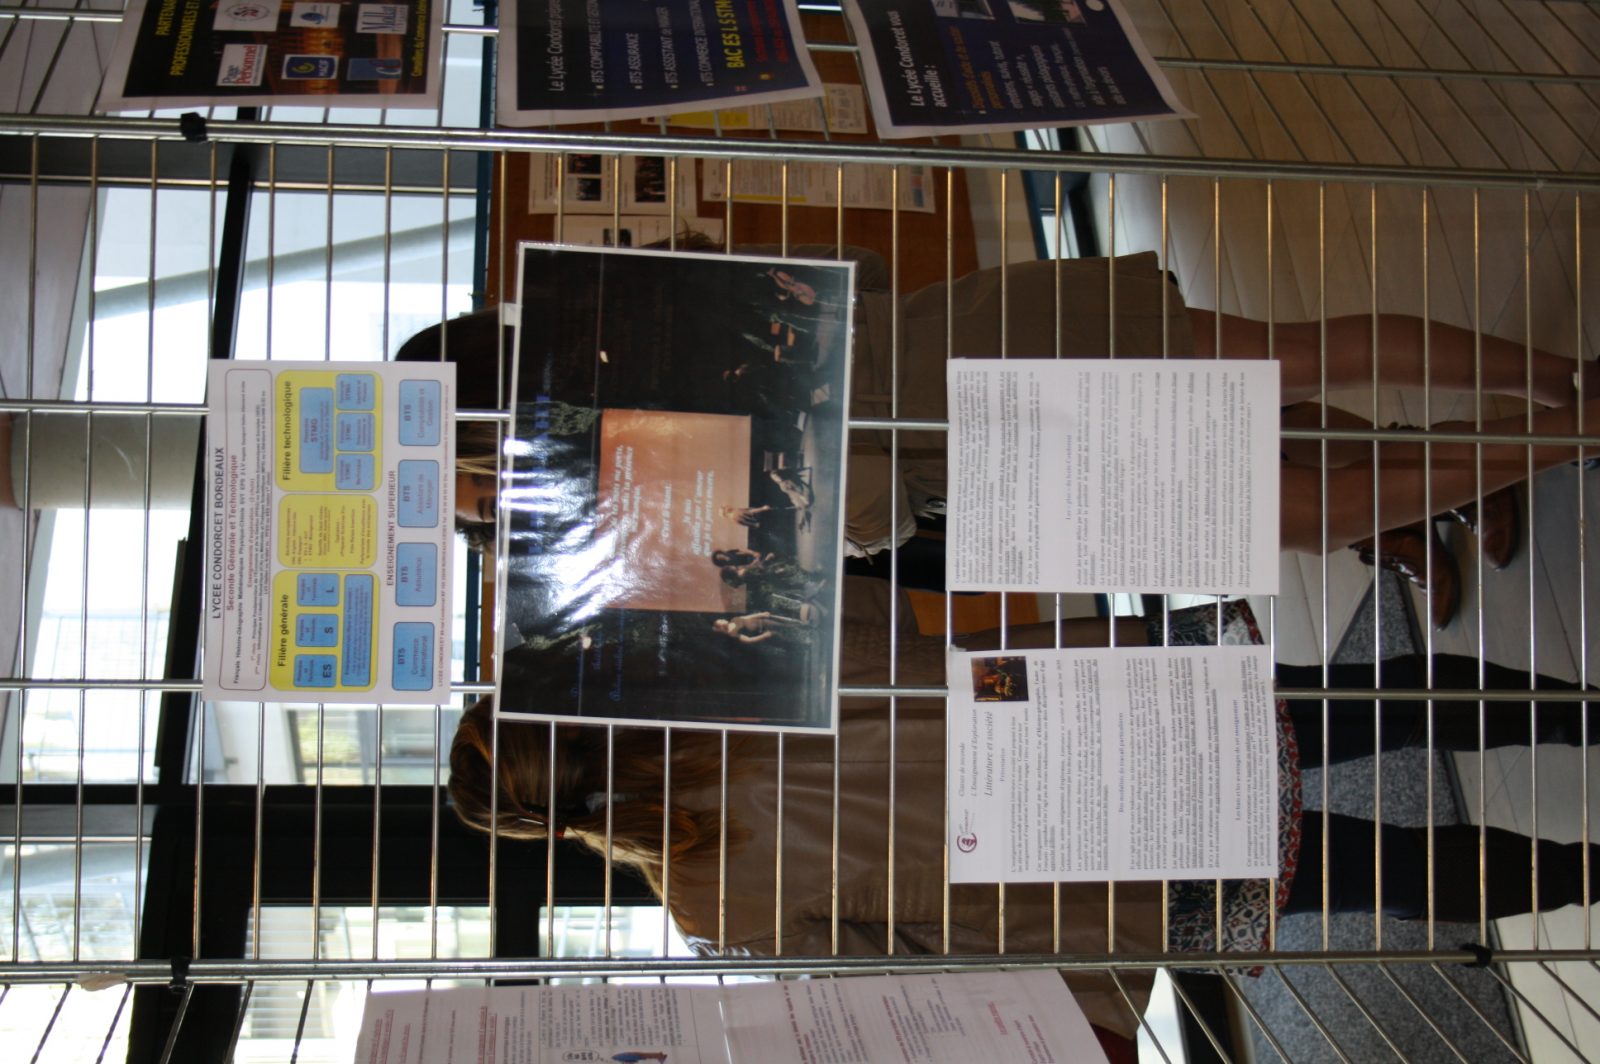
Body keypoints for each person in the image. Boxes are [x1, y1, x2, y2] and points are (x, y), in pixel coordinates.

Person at [448, 591, 1600, 1041]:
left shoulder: (707, 898)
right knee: (1379, 703)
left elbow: (905, 970)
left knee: (1389, 876)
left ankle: (1590, 869)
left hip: (1091, 872)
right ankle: (1588, 711)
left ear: (554, 826)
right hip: (1072, 706)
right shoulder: (713, 658)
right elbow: (885, 617)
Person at [397, 242, 1597, 625]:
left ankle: (1563, 407)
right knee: (1293, 426)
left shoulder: (632, 421)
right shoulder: (624, 324)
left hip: (992, 391)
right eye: (481, 514)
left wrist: (796, 519)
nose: (500, 512)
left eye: (481, 489)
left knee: (1289, 407)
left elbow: (863, 500)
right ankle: (1559, 407)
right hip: (996, 417)